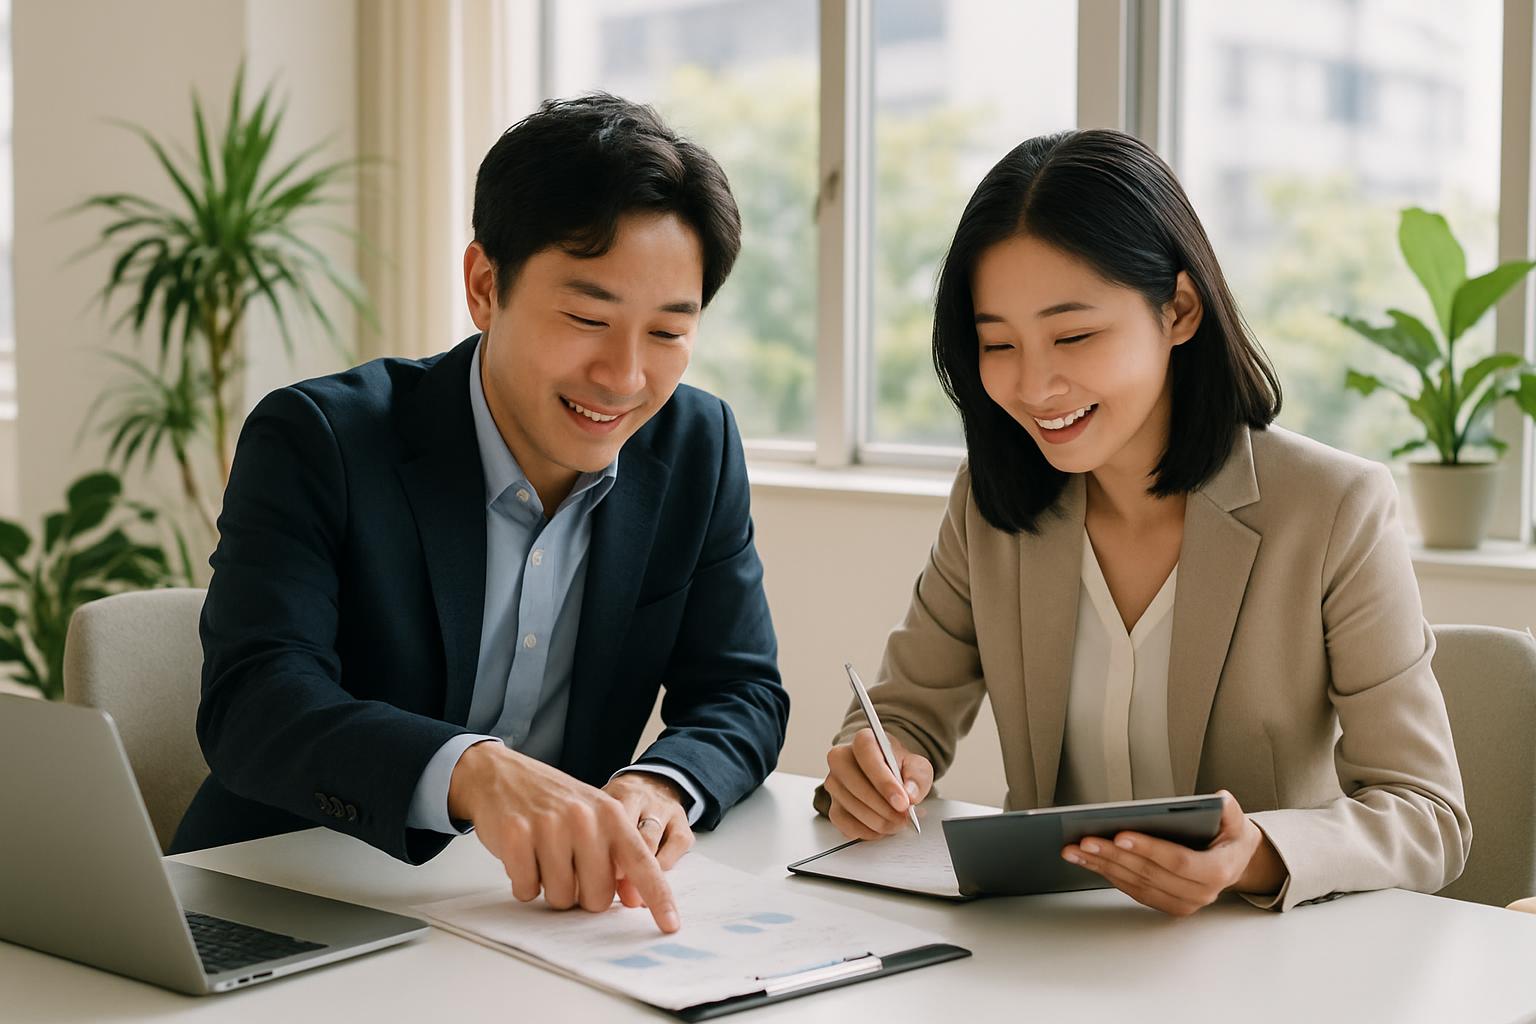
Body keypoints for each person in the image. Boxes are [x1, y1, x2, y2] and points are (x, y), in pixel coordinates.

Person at [172, 94, 789, 935]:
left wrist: (661, 783)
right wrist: (470, 772)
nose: (623, 377)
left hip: (532, 920)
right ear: (485, 286)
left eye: (667, 334)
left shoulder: (696, 444)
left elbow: (741, 689)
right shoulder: (320, 439)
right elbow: (255, 702)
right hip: (294, 898)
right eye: (586, 318)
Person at [818, 128, 1470, 915]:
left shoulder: (1333, 509)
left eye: (1074, 335)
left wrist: (1255, 856)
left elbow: (1426, 813)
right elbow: (900, 713)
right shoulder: (992, 504)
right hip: (1044, 954)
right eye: (998, 343)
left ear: (1180, 310)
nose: (1034, 385)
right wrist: (880, 763)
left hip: (1261, 958)